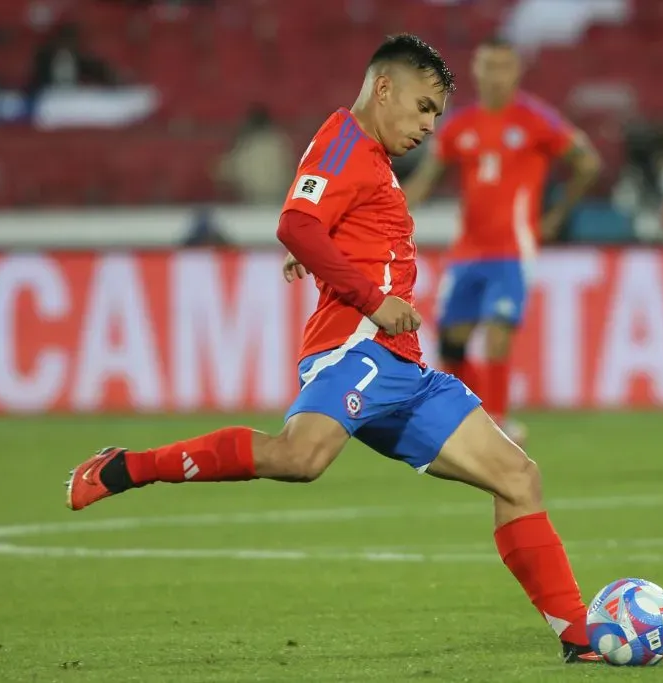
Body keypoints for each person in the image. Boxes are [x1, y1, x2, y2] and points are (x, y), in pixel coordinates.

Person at [64, 33, 601, 665]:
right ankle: (125, 467)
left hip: (403, 364)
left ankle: (580, 639)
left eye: (437, 112)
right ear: (384, 88)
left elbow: (319, 224)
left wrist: (327, 253)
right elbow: (295, 221)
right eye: (424, 105)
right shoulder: (346, 140)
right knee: (300, 457)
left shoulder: (368, 157)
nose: (430, 123)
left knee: (517, 476)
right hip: (358, 347)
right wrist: (370, 298)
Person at [403, 37, 600, 444]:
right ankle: (475, 414)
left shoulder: (536, 119)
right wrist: (388, 212)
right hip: (467, 251)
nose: (494, 76)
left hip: (512, 248)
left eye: (502, 67)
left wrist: (557, 214)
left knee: (497, 331)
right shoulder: (459, 124)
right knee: (452, 341)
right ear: (475, 71)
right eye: (487, 66)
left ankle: (498, 420)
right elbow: (424, 181)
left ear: (516, 71)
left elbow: (588, 162)